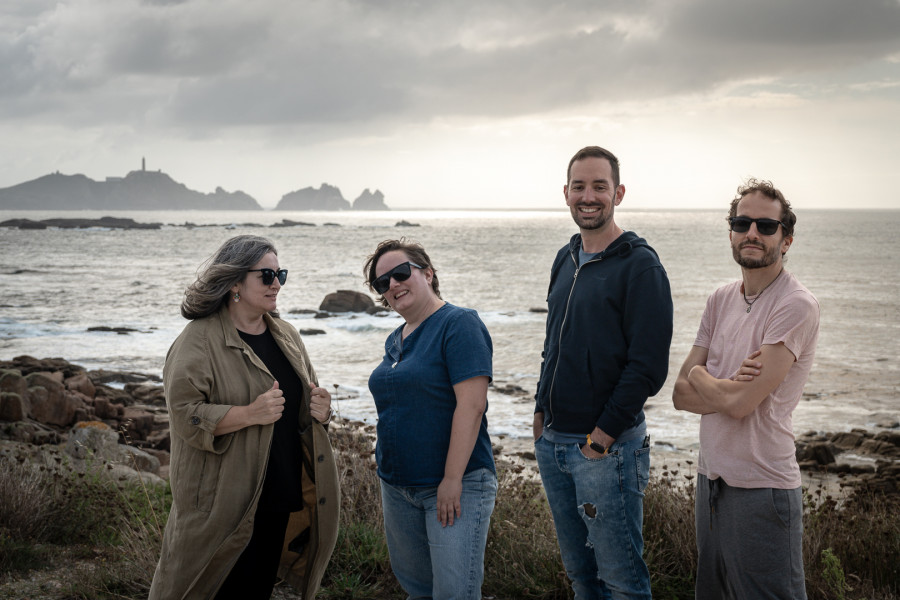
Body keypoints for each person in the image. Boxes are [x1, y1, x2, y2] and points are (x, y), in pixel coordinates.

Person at [149, 235, 340, 600]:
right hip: (223, 504)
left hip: (279, 494)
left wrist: (323, 409)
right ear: (235, 282)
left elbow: (304, 407)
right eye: (266, 275)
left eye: (280, 274)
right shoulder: (198, 340)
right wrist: (248, 414)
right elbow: (184, 416)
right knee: (198, 587)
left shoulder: (287, 335)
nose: (277, 284)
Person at [533, 146, 673, 600]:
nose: (588, 196)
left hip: (604, 451)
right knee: (582, 579)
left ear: (619, 193)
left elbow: (647, 366)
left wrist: (602, 437)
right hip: (554, 444)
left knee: (623, 583)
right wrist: (539, 413)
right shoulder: (566, 257)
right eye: (579, 186)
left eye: (599, 186)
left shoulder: (641, 265)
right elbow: (554, 341)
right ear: (566, 193)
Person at [673, 180, 819, 599]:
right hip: (710, 482)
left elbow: (739, 404)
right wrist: (720, 383)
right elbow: (680, 395)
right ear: (731, 232)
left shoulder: (796, 304)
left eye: (765, 226)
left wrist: (704, 377)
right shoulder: (719, 299)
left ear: (786, 239)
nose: (751, 232)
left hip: (763, 489)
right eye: (741, 222)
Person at [364, 238, 497, 600]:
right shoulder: (396, 339)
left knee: (455, 593)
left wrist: (451, 479)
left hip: (455, 486)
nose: (392, 285)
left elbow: (471, 407)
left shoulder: (459, 324)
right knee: (418, 592)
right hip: (397, 489)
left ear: (427, 273)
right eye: (382, 283)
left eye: (400, 273)